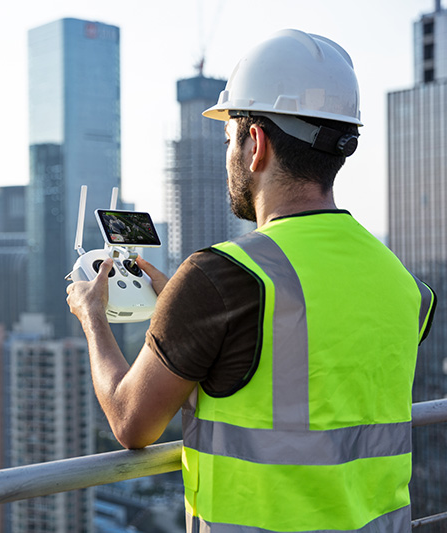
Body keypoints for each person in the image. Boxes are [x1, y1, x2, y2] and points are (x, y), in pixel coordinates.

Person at [66, 29, 436, 532]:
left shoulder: (220, 277)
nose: (227, 156)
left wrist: (93, 317)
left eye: (228, 139)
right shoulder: (403, 283)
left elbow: (132, 423)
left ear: (255, 143)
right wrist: (195, 306)